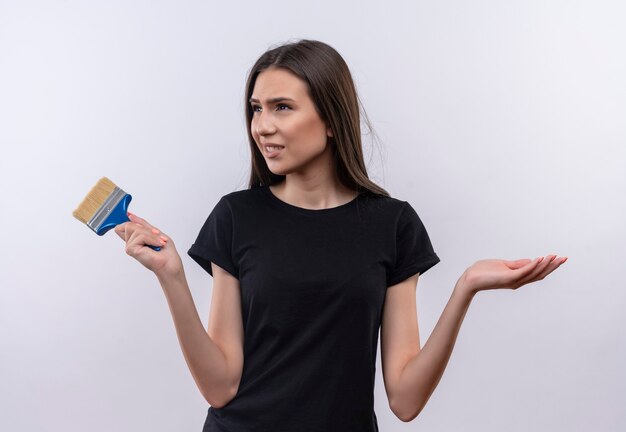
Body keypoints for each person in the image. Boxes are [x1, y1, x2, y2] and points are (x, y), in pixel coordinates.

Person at [114, 39, 567, 432]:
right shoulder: (237, 216)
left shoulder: (392, 225)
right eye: (256, 108)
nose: (262, 126)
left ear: (331, 119)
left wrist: (465, 287)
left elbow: (405, 401)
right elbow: (220, 387)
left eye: (282, 107)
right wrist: (170, 276)